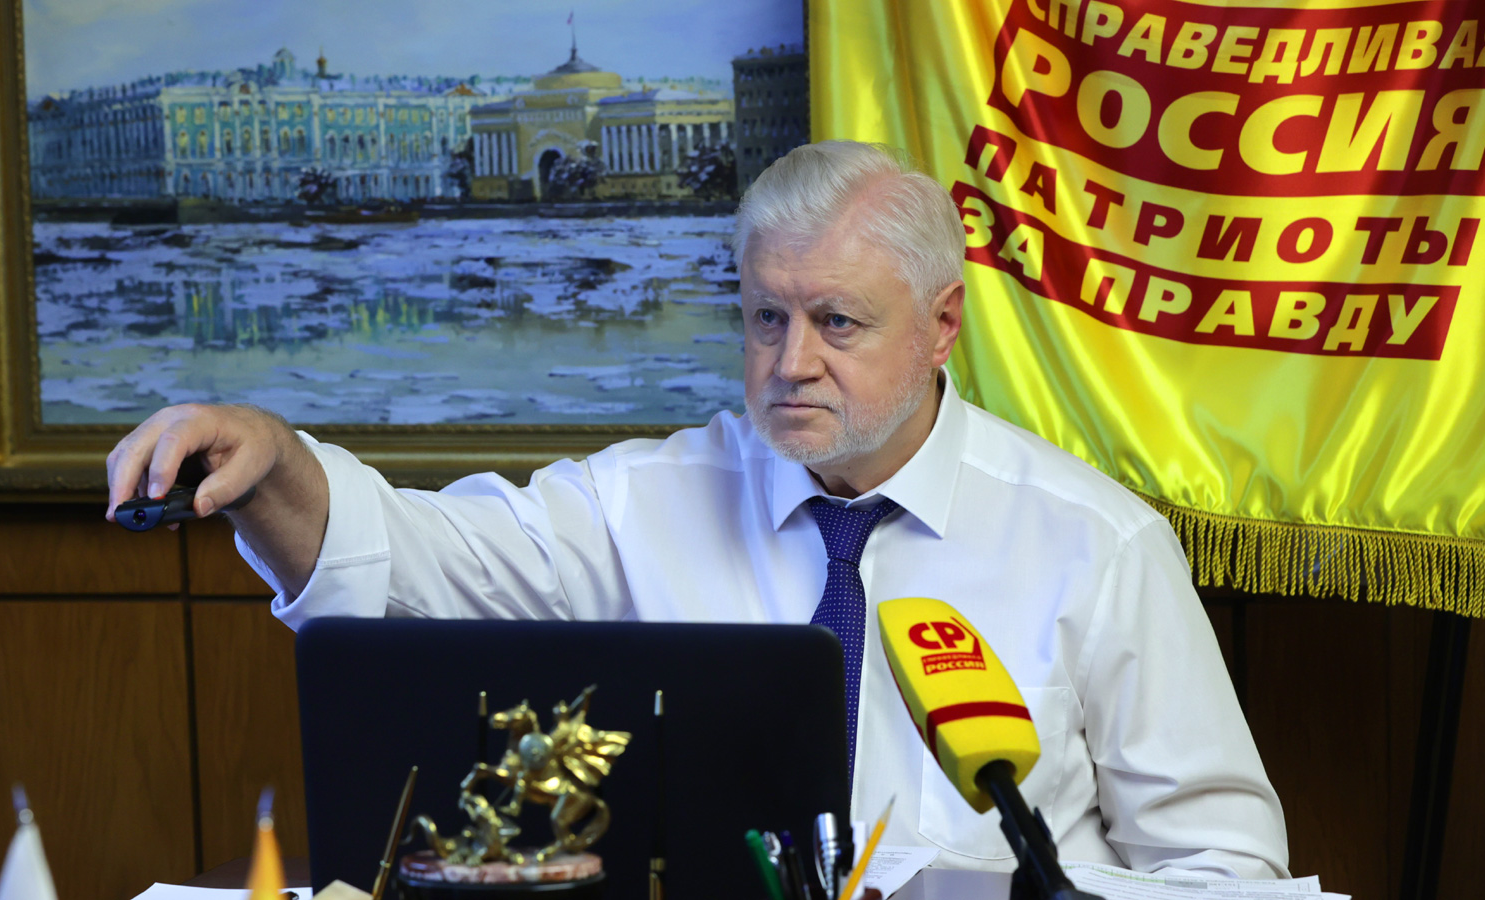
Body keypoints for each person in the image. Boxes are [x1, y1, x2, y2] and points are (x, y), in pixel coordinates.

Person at [106, 141, 1289, 877]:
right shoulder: (643, 500)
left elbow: (1224, 868)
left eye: (836, 322)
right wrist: (275, 464)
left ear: (940, 327)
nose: (790, 362)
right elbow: (412, 564)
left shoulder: (1097, 543)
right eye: (765, 318)